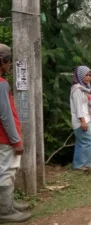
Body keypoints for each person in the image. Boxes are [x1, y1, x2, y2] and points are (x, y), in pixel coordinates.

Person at [0, 44, 32, 223]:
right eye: (8, 60)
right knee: (7, 171)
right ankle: (5, 211)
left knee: (2, 170)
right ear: (2, 61)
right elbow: (5, 116)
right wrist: (16, 140)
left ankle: (8, 203)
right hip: (5, 138)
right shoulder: (1, 84)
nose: (9, 64)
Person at [70, 66, 91, 171]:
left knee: (82, 142)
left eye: (90, 75)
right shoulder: (77, 89)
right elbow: (78, 107)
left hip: (87, 119)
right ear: (80, 76)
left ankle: (80, 164)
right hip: (81, 120)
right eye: (86, 75)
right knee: (89, 142)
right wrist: (83, 121)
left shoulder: (85, 88)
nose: (88, 77)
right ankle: (82, 166)